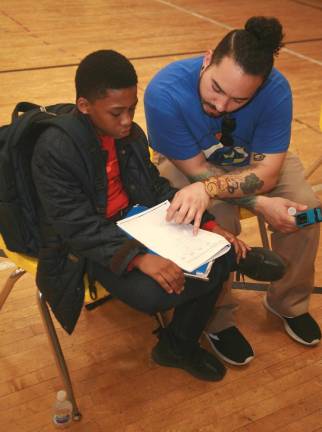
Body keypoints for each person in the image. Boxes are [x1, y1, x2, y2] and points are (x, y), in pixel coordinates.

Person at [31, 49, 267, 382]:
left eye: (132, 109)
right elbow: (75, 225)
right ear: (84, 106)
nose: (127, 120)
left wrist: (209, 224)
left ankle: (177, 345)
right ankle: (184, 334)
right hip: (92, 242)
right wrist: (139, 258)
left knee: (221, 253)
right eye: (117, 113)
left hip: (140, 221)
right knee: (156, 294)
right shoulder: (56, 149)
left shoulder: (130, 136)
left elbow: (153, 187)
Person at [144, 16, 321, 366]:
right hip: (191, 164)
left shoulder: (276, 90)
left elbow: (268, 173)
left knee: (306, 210)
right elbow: (197, 171)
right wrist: (259, 203)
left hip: (255, 166)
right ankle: (217, 317)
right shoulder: (164, 93)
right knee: (213, 222)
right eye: (216, 89)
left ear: (261, 85)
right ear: (207, 58)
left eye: (239, 99)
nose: (222, 106)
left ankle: (288, 301)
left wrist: (263, 196)